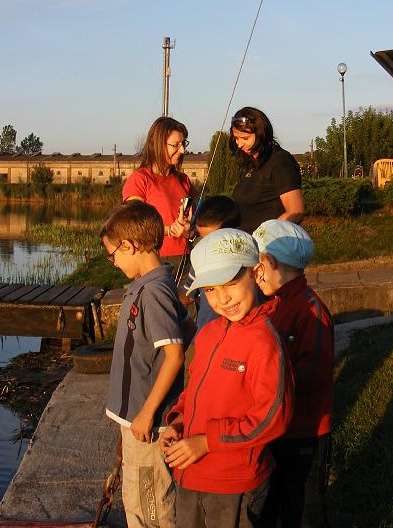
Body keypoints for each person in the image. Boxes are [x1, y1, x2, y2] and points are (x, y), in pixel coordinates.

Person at [160, 228, 294, 528]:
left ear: (256, 274)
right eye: (210, 289)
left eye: (230, 283)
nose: (222, 298)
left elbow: (273, 416)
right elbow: (195, 389)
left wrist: (208, 442)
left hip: (234, 481)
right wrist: (179, 421)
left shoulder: (264, 343)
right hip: (192, 471)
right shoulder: (209, 333)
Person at [99, 200, 186, 528]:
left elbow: (174, 355)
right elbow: (187, 326)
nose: (113, 262)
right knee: (135, 498)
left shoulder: (154, 292)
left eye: (113, 255)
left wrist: (148, 412)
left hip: (148, 421)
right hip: (135, 417)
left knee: (151, 504)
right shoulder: (147, 284)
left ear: (130, 245)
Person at [252, 220, 334, 528]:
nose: (254, 274)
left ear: (270, 262)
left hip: (304, 431)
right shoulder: (275, 304)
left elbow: (313, 372)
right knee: (277, 501)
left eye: (257, 266)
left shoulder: (311, 311)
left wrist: (270, 389)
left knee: (304, 507)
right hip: (278, 427)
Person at [123, 116, 195, 263]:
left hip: (188, 258)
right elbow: (133, 225)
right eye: (175, 145)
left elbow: (196, 226)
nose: (182, 150)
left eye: (183, 144)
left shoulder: (184, 180)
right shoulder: (140, 179)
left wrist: (190, 231)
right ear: (158, 145)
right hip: (155, 260)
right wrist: (169, 230)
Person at [229, 107, 304, 233]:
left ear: (261, 133)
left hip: (270, 243)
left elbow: (296, 212)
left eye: (245, 138)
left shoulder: (280, 162)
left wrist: (263, 237)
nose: (239, 144)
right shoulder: (251, 162)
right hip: (245, 241)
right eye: (236, 138)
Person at [182, 195, 242, 331]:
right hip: (207, 334)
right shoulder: (200, 259)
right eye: (203, 239)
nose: (207, 245)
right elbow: (187, 297)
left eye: (214, 239)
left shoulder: (248, 260)